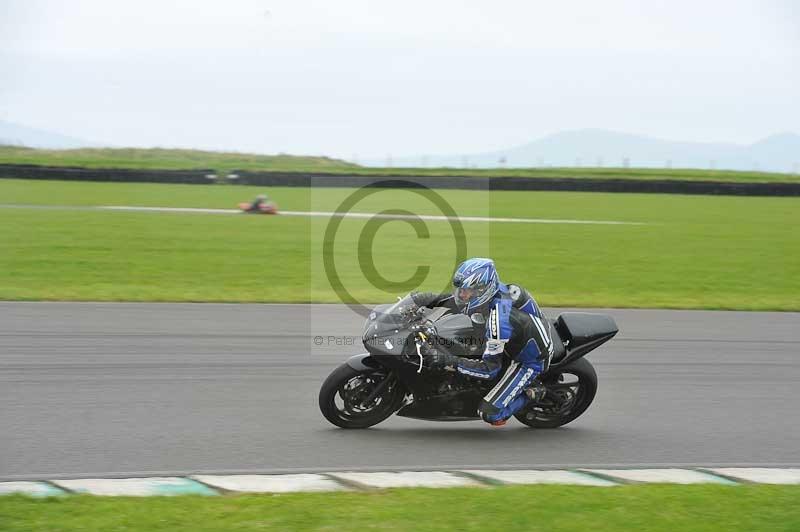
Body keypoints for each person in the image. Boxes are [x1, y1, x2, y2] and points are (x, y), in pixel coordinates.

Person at [411, 258, 556, 426]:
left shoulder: (499, 321)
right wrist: (426, 299)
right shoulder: (496, 290)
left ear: (482, 290)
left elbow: (489, 370)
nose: (462, 295)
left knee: (489, 413)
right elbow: (457, 301)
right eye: (460, 290)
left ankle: (535, 392)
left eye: (466, 292)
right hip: (518, 337)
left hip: (529, 360)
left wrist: (449, 362)